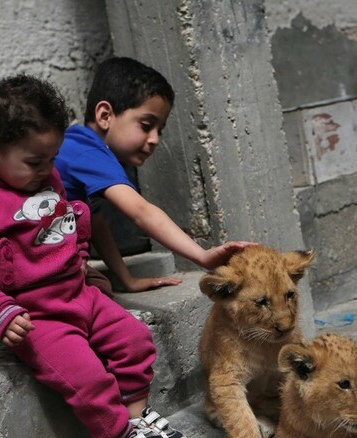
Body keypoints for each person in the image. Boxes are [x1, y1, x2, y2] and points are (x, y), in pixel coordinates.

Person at [0, 74, 188, 438]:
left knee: (135, 340)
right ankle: (118, 437)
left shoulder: (44, 178)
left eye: (52, 160)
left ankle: (136, 415)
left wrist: (81, 262)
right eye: (35, 162)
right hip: (36, 316)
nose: (47, 171)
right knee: (87, 377)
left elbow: (67, 226)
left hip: (78, 294)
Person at [55, 56, 252, 293]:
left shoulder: (79, 146)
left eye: (160, 130)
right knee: (97, 290)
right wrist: (202, 256)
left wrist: (127, 280)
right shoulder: (88, 152)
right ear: (105, 116)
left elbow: (94, 222)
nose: (155, 139)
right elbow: (141, 212)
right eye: (146, 125)